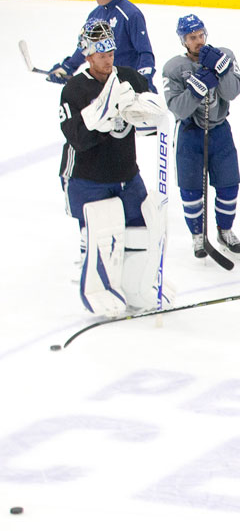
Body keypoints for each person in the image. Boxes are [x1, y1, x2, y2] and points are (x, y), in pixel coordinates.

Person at [58, 19, 166, 315]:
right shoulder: (75, 89)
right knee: (99, 239)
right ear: (88, 55)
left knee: (143, 229)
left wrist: (145, 108)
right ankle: (95, 286)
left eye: (111, 53)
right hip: (87, 178)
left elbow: (154, 108)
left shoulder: (128, 77)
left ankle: (136, 288)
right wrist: (104, 113)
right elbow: (78, 138)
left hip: (126, 174)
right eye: (101, 54)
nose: (108, 60)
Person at [162, 14, 240, 260]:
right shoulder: (173, 68)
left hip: (220, 130)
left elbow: (233, 91)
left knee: (229, 184)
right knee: (191, 189)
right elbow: (178, 109)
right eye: (191, 38)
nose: (198, 41)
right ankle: (198, 236)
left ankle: (225, 231)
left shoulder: (224, 55)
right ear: (183, 41)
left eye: (200, 35)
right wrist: (197, 88)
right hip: (190, 133)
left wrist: (223, 70)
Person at [47, 0, 156, 92]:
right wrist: (68, 67)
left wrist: (144, 81)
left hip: (127, 85)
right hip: (103, 85)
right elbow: (86, 48)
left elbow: (145, 52)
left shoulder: (131, 15)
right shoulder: (94, 15)